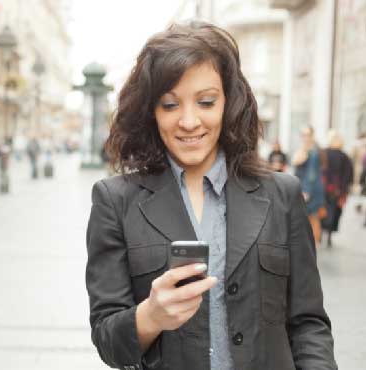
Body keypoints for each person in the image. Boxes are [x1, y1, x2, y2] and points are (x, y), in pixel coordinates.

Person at [85, 22, 336, 370]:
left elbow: (308, 324)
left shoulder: (282, 194)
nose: (189, 121)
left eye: (205, 102)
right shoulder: (115, 200)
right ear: (151, 113)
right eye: (170, 105)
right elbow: (108, 342)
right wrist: (151, 315)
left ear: (228, 103)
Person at [292, 125, 326, 246]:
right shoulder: (304, 149)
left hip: (310, 189)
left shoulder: (313, 151)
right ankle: (310, 243)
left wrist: (306, 191)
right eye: (303, 135)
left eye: (307, 135)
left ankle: (315, 243)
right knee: (307, 216)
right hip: (305, 187)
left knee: (312, 216)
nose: (305, 137)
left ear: (312, 135)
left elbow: (311, 174)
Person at [320, 131, 353, 246]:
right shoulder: (344, 156)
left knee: (326, 209)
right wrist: (343, 188)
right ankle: (328, 233)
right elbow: (348, 175)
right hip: (336, 188)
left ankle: (324, 232)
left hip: (327, 187)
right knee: (333, 211)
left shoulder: (325, 153)